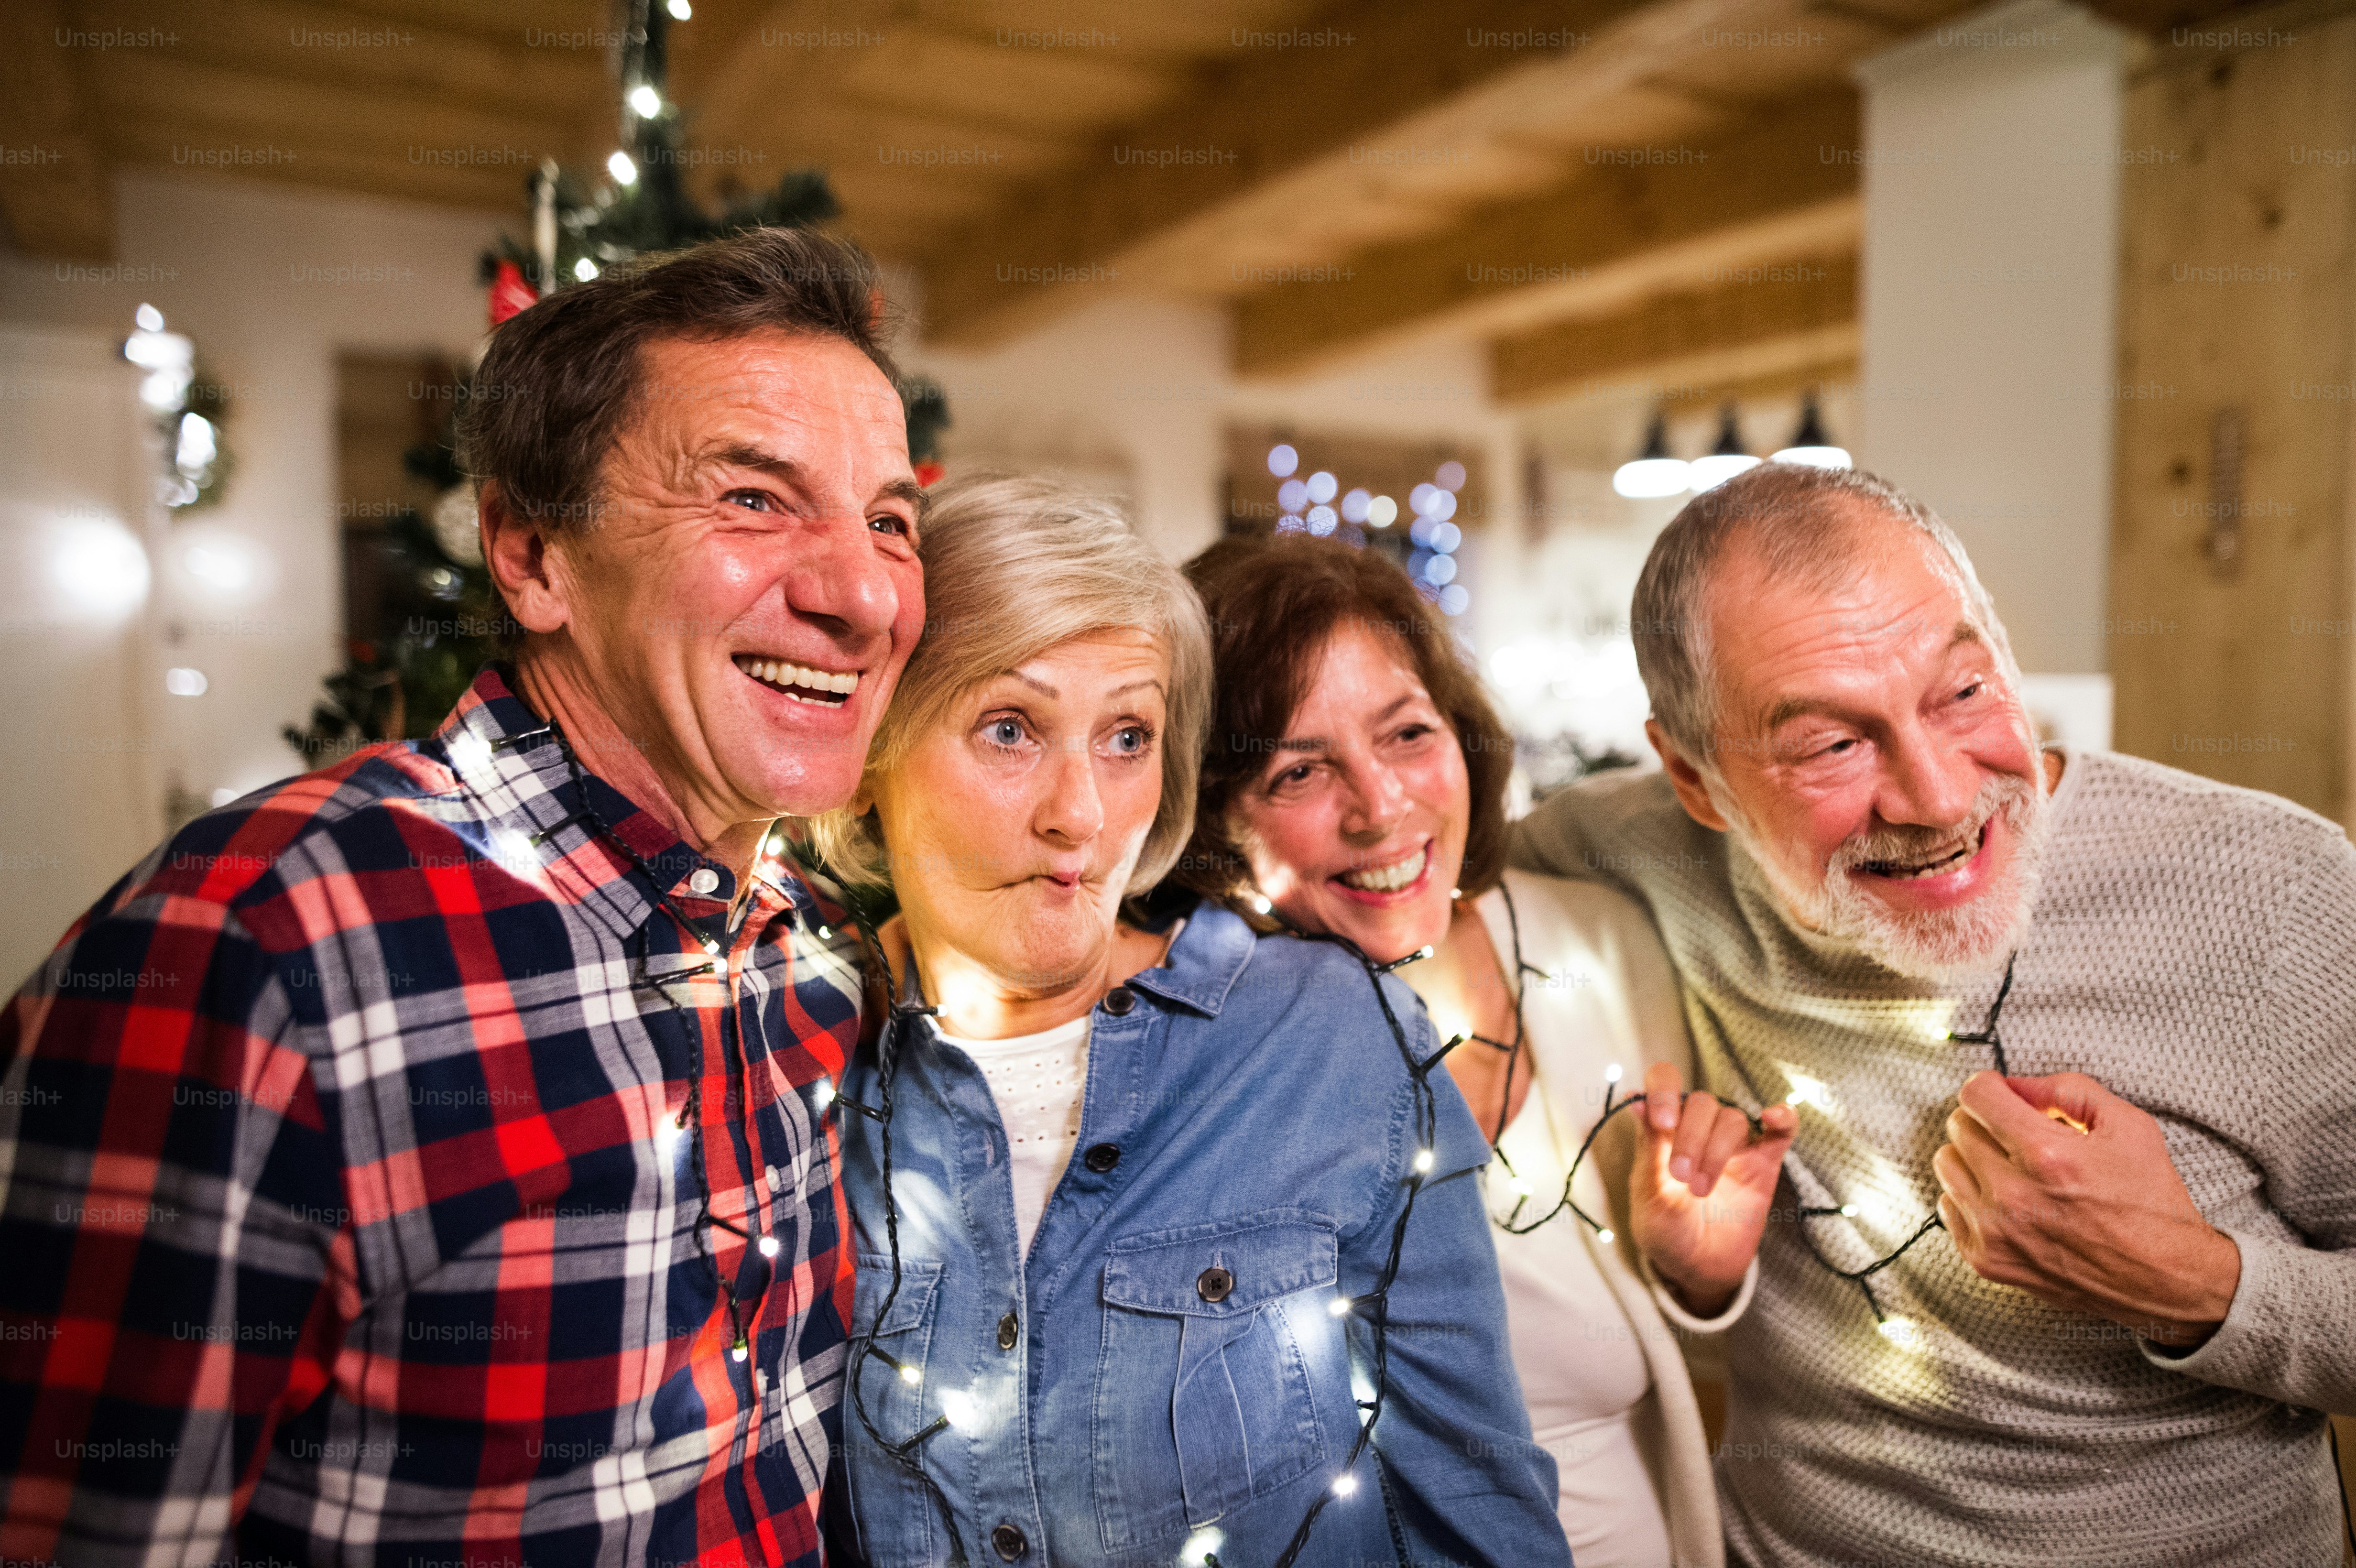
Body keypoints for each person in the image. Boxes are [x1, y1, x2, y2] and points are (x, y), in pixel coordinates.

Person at [0, 228, 926, 1567]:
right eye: (753, 500)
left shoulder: (820, 947)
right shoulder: (260, 946)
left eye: (890, 521)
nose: (860, 594)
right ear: (531, 553)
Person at [1512, 461, 2356, 1567]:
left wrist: (2190, 1277)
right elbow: (1410, 869)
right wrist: (1693, 1275)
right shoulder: (1625, 853)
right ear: (1694, 777)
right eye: (1831, 744)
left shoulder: (2276, 890)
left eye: (1962, 692)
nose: (1940, 798)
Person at [811, 475, 1566, 1568]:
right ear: (872, 746)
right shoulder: (792, 1049)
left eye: (1128, 736)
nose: (1078, 812)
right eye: (1010, 728)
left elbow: (1475, 1507)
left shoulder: (1331, 1036)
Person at [1177, 534, 1794, 1568]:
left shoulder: (1600, 943)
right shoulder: (1208, 1044)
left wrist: (1695, 1278)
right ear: (1207, 811)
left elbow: (1695, 1369)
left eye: (1407, 732)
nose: (1381, 808)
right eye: (1299, 768)